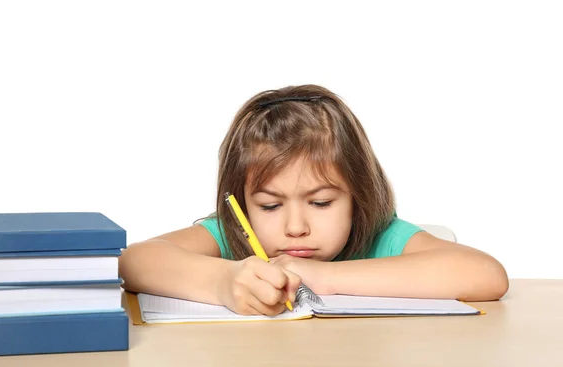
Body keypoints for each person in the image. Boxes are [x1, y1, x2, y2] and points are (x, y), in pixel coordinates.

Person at [119, 84, 509, 316]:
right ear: (241, 205)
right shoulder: (231, 236)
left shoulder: (379, 237)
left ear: (359, 195)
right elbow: (133, 260)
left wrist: (327, 277)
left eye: (321, 202)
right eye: (269, 206)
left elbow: (487, 275)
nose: (294, 227)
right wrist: (223, 281)